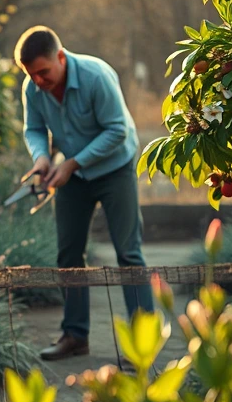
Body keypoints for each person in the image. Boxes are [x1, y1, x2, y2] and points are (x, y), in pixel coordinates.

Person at [14, 25, 154, 361]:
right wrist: (43, 158)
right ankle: (75, 336)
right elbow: (33, 128)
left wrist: (72, 164)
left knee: (128, 253)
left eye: (43, 72)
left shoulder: (96, 76)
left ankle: (144, 343)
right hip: (70, 175)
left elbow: (118, 130)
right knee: (69, 256)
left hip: (114, 168)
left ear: (60, 57)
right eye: (31, 75)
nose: (38, 82)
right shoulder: (32, 88)